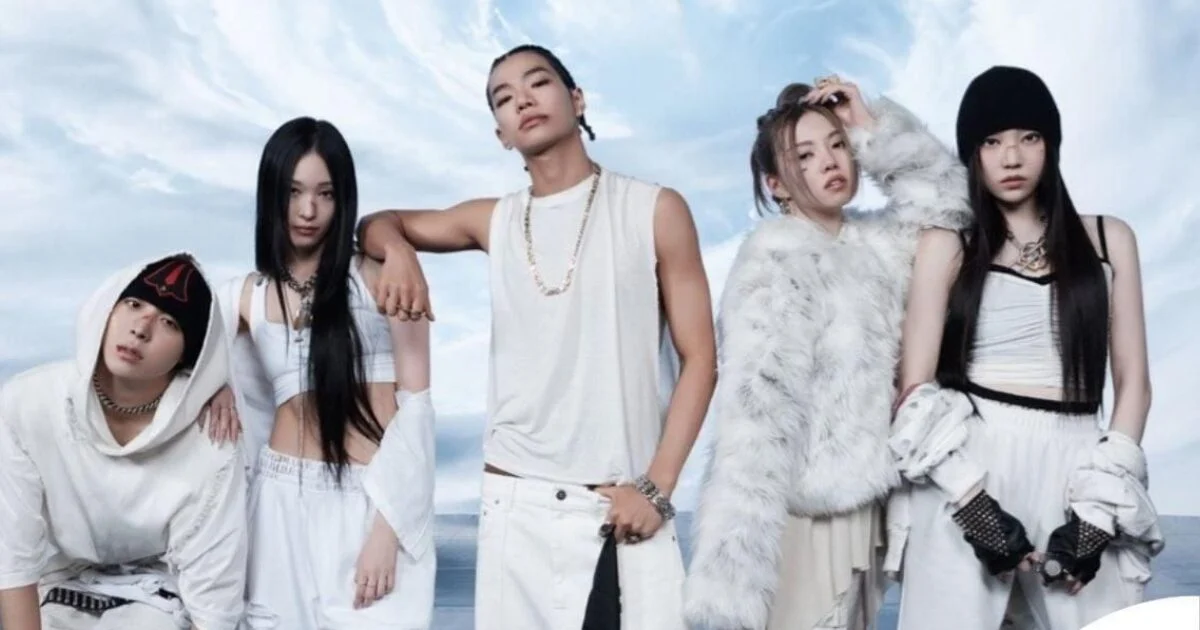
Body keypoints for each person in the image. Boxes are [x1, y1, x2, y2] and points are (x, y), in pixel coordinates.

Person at [356, 43, 717, 629]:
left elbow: (700, 358)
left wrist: (658, 487)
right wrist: (398, 251)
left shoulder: (654, 209)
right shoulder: (492, 219)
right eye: (504, 97)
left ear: (577, 99)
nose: (523, 99)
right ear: (501, 134)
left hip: (617, 500)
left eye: (538, 83)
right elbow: (375, 224)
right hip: (516, 504)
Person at [682, 76, 973, 630]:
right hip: (801, 516)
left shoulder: (875, 244)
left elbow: (948, 206)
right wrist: (734, 570)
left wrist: (867, 121)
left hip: (866, 501)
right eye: (805, 156)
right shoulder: (775, 255)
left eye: (838, 145)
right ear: (775, 184)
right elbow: (756, 413)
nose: (831, 161)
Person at [887, 65, 1165, 629]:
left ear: (1050, 145)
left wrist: (1097, 512)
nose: (1011, 158)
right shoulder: (947, 244)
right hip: (968, 465)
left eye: (1028, 137)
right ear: (972, 154)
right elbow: (914, 389)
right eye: (992, 142)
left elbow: (1134, 383)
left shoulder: (1109, 238)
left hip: (1081, 464)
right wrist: (972, 505)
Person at [209, 117, 437, 629]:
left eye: (325, 193)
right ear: (271, 195)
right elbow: (178, 355)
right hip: (277, 505)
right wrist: (214, 384)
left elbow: (417, 404)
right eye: (293, 192)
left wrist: (388, 529)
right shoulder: (245, 296)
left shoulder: (379, 276)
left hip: (372, 502)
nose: (308, 210)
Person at [0, 253, 246, 630]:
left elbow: (214, 592)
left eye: (169, 322)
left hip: (162, 599)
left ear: (188, 353)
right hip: (53, 584)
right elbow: (13, 552)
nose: (141, 329)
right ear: (107, 307)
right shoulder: (28, 402)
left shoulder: (211, 435)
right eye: (133, 304)